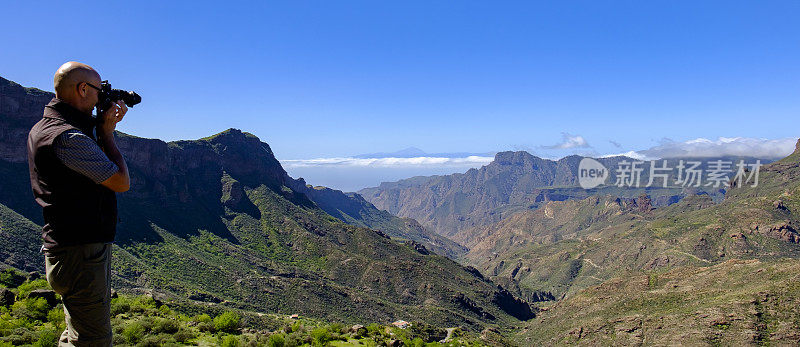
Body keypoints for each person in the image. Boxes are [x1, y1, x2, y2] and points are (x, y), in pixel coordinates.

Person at [27, 61, 130, 346]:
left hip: (66, 251)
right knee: (93, 340)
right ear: (83, 89)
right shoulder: (68, 137)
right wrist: (107, 134)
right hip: (81, 255)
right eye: (98, 91)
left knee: (75, 335)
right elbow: (120, 182)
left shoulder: (44, 128)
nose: (101, 98)